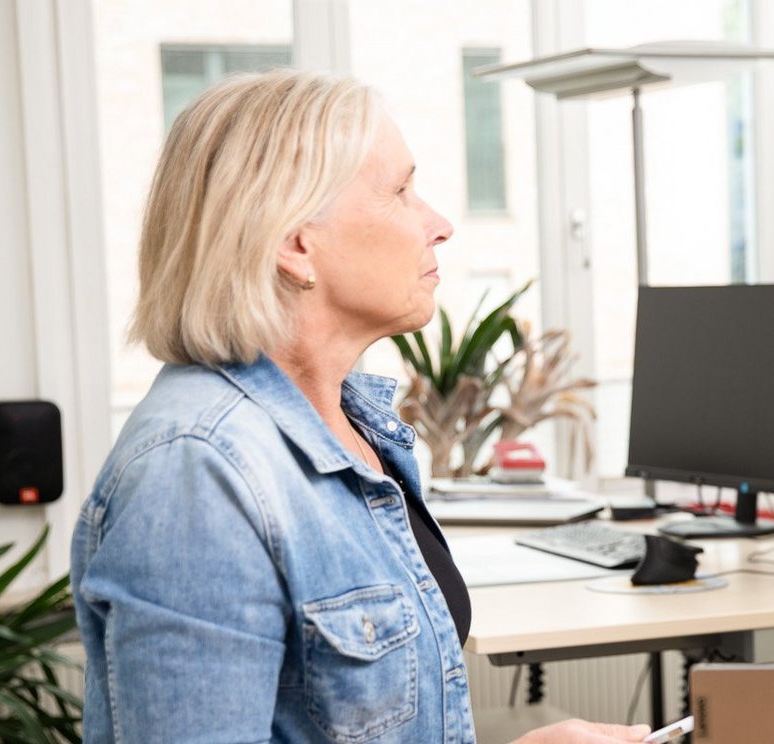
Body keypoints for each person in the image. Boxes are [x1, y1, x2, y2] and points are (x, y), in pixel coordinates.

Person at [70, 70, 648, 744]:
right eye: (400, 192)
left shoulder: (354, 427)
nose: (439, 225)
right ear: (294, 243)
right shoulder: (198, 472)